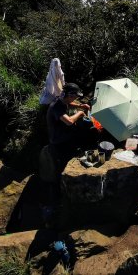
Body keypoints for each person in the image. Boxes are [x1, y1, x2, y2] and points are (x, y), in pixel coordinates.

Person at [45, 82, 90, 211]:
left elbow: (68, 104)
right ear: (69, 95)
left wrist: (81, 105)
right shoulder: (56, 107)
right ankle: (58, 196)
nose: (75, 99)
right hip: (58, 141)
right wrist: (81, 113)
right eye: (75, 97)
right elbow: (69, 121)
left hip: (63, 136)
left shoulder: (61, 100)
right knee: (61, 167)